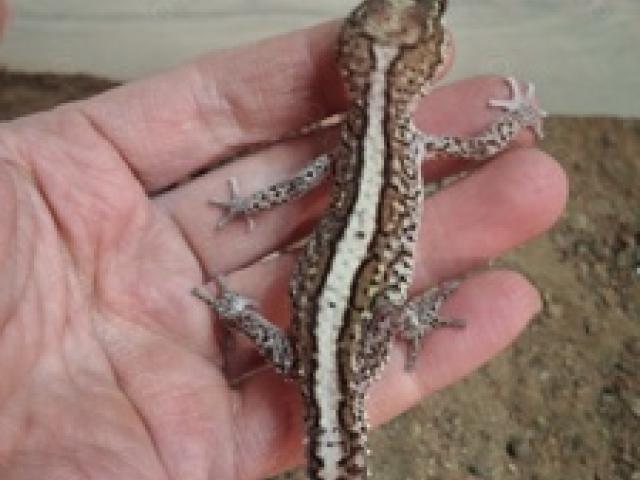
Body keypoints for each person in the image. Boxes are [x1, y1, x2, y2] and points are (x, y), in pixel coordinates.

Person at [0, 2, 567, 479]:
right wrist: (515, 121)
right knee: (336, 350)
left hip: (336, 324)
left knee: (354, 339)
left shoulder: (349, 147)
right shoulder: (412, 145)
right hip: (321, 337)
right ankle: (249, 309)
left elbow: (300, 183)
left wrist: (249, 207)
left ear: (352, 63)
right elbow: (477, 146)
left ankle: (255, 309)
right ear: (425, 67)